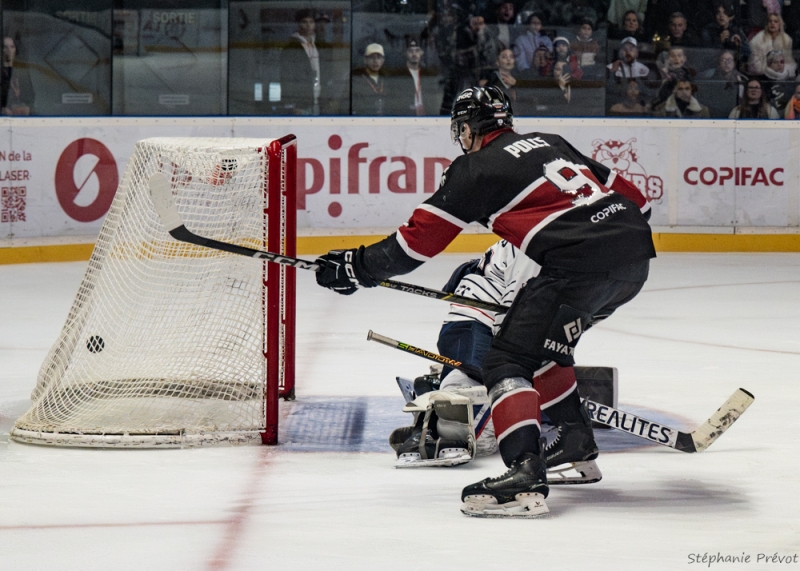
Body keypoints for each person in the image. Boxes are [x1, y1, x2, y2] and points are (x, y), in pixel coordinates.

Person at [314, 85, 655, 518]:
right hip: (634, 259)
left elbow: (415, 246)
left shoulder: (473, 169)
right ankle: (574, 444)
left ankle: (524, 475)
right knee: (546, 348)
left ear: (469, 129)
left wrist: (355, 266)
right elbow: (638, 201)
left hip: (577, 267)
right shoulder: (552, 143)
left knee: (506, 361)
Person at [279, 9, 324, 115]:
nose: (308, 25)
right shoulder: (291, 47)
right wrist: (292, 104)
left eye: (311, 22)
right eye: (304, 22)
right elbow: (286, 77)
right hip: (301, 104)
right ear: (298, 24)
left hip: (318, 102)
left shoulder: (318, 45)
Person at [389, 37, 438, 116]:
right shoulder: (400, 75)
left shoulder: (427, 74)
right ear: (405, 53)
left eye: (417, 51)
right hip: (406, 116)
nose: (414, 54)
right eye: (411, 51)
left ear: (422, 52)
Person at [351, 43, 390, 116]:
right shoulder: (356, 79)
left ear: (383, 60)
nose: (375, 61)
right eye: (372, 57)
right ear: (365, 60)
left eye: (378, 57)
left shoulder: (388, 79)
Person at [1, 36, 33, 116]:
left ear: (15, 50)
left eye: (12, 47)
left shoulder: (22, 73)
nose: (9, 50)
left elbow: (30, 96)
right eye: (5, 47)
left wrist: (28, 108)